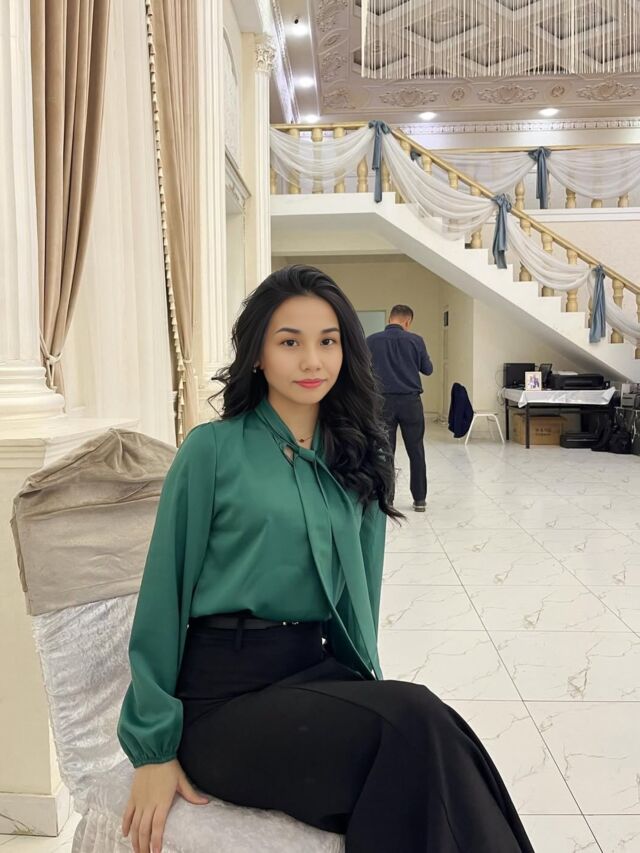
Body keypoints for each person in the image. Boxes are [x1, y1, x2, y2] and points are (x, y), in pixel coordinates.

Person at [117, 265, 534, 853]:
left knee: (430, 733)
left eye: (328, 341)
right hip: (221, 700)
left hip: (311, 675)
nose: (312, 360)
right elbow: (164, 594)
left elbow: (357, 604)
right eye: (290, 342)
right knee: (414, 721)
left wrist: (365, 692)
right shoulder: (211, 450)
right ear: (258, 354)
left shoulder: (358, 461)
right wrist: (153, 750)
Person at [366, 305, 432, 511]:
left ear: (390, 319)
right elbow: (428, 369)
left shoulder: (371, 340)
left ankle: (387, 498)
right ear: (407, 322)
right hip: (411, 402)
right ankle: (419, 499)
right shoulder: (415, 340)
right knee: (416, 450)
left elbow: (363, 368)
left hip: (382, 402)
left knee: (385, 450)